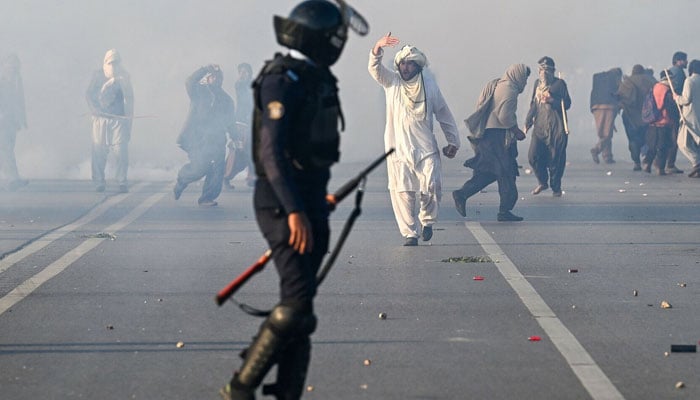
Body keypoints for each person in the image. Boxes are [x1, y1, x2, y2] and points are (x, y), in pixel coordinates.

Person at [219, 1, 367, 399]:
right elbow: (272, 154)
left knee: (300, 311)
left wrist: (317, 201)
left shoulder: (315, 78)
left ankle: (286, 393)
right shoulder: (282, 80)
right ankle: (240, 386)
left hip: (310, 200)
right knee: (297, 307)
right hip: (280, 203)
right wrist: (296, 210)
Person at [368, 35, 460, 246]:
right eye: (402, 63)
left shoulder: (429, 86)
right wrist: (377, 48)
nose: (406, 67)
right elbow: (375, 70)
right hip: (398, 149)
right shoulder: (391, 82)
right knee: (402, 191)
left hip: (425, 147)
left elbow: (444, 113)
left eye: (410, 64)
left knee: (432, 185)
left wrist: (453, 141)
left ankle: (427, 221)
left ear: (418, 66)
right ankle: (410, 233)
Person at [454, 64, 530, 222]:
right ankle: (503, 210)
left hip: (489, 136)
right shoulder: (510, 90)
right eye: (526, 77)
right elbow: (504, 117)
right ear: (519, 75)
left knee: (490, 172)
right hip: (497, 137)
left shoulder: (499, 84)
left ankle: (464, 194)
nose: (526, 81)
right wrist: (517, 131)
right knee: (506, 172)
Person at [174, 64, 235, 206]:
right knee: (199, 168)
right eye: (212, 76)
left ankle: (207, 197)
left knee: (217, 169)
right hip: (197, 139)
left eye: (218, 77)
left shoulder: (226, 100)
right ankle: (182, 180)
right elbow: (189, 81)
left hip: (218, 139)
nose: (215, 79)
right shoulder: (198, 92)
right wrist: (204, 69)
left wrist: (235, 137)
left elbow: (230, 121)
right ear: (207, 78)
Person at [86, 49, 134, 193]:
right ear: (105, 62)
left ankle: (122, 181)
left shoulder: (125, 76)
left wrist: (128, 120)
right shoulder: (98, 75)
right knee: (98, 151)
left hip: (118, 119)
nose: (113, 66)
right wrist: (93, 108)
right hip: (100, 119)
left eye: (116, 62)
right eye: (110, 62)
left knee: (121, 151)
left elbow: (129, 99)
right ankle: (99, 181)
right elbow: (89, 94)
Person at [524, 56, 571, 197]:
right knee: (533, 156)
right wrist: (527, 122)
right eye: (541, 70)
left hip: (556, 128)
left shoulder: (560, 84)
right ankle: (542, 182)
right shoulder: (536, 84)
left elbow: (567, 104)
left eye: (547, 70)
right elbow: (534, 105)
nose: (543, 73)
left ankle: (556, 187)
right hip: (540, 127)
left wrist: (552, 100)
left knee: (555, 159)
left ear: (552, 71)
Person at [617, 65, 657, 171]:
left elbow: (620, 98)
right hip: (647, 116)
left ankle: (636, 162)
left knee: (633, 139)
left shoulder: (626, 82)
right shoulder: (651, 81)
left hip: (630, 116)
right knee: (647, 138)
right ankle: (646, 159)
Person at [223, 62, 255, 189]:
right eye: (241, 71)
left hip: (252, 123)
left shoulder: (253, 84)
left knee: (251, 151)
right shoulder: (240, 84)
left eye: (246, 71)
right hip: (241, 123)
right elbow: (244, 95)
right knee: (238, 151)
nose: (243, 73)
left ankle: (251, 177)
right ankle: (225, 176)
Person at [0, 53, 28, 191]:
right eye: (10, 64)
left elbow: (20, 100)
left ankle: (11, 178)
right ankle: (13, 178)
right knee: (5, 149)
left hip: (12, 120)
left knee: (8, 148)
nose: (14, 67)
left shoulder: (17, 80)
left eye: (16, 64)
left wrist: (23, 119)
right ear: (4, 65)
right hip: (2, 119)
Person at [643, 70, 679, 175]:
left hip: (653, 121)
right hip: (665, 121)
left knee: (652, 145)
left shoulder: (655, 87)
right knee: (663, 146)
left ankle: (647, 162)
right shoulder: (668, 90)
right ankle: (660, 168)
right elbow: (670, 107)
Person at [589, 68, 622, 164]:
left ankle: (607, 156)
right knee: (607, 132)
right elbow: (619, 91)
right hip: (609, 106)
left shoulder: (599, 79)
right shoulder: (615, 78)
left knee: (603, 132)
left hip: (596, 107)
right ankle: (596, 149)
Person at [674, 59, 700, 177]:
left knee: (682, 143)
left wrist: (676, 97)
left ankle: (696, 162)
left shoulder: (689, 81)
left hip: (689, 115)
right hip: (697, 115)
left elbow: (686, 99)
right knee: (695, 141)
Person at [665, 51, 688, 174]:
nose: (686, 62)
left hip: (668, 109)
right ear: (679, 61)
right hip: (675, 108)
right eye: (685, 60)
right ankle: (670, 164)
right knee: (675, 136)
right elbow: (679, 91)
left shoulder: (671, 71)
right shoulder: (679, 73)